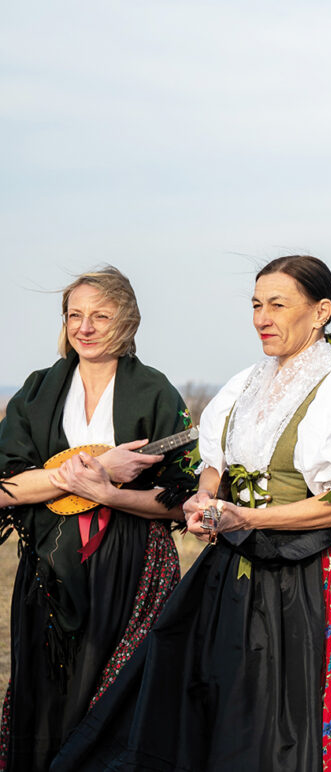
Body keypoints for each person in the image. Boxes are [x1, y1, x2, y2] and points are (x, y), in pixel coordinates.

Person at [52, 255, 331, 771]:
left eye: (278, 305)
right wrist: (202, 499)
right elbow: (214, 467)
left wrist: (248, 518)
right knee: (204, 701)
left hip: (303, 577)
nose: (262, 317)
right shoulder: (247, 383)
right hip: (230, 570)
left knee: (282, 720)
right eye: (257, 305)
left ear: (321, 311)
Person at [0, 266, 196, 771]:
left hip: (132, 562)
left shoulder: (155, 392)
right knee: (45, 688)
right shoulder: (39, 390)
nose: (84, 328)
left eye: (100, 316)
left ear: (126, 323)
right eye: (74, 316)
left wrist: (108, 493)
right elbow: (5, 490)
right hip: (48, 565)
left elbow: (179, 501)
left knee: (119, 689)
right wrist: (91, 474)